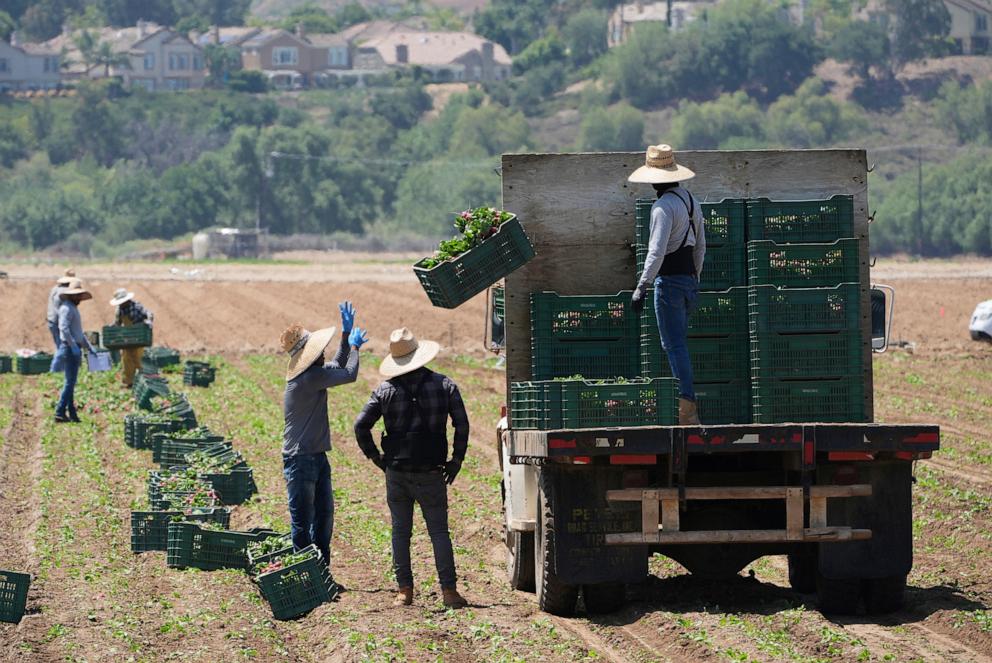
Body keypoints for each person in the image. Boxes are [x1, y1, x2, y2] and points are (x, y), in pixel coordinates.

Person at [353, 328, 470, 610]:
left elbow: (360, 426)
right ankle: (449, 591)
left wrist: (377, 458)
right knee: (439, 533)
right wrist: (456, 461)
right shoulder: (445, 385)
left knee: (400, 532)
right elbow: (462, 425)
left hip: (397, 471)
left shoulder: (384, 390)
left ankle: (404, 590)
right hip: (432, 471)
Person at [280, 302, 368, 590]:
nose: (323, 353)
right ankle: (307, 581)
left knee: (324, 517)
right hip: (300, 459)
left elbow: (338, 365)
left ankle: (321, 575)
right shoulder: (309, 378)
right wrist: (355, 347)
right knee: (304, 523)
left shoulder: (312, 374)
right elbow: (348, 372)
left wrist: (345, 336)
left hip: (315, 457)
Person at [628, 144, 706, 425]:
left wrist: (642, 286)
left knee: (674, 345)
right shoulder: (690, 201)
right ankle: (684, 404)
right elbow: (701, 246)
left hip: (670, 282)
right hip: (688, 281)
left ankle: (686, 408)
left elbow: (656, 251)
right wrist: (694, 277)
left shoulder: (662, 207)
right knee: (679, 343)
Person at [54, 278, 97, 423]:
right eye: (78, 295)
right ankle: (60, 410)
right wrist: (72, 345)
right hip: (68, 348)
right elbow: (63, 329)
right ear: (72, 295)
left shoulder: (73, 308)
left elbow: (78, 332)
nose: (80, 298)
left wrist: (88, 347)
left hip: (74, 347)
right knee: (69, 382)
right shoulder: (66, 308)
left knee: (71, 382)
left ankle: (71, 413)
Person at [109, 288, 152, 388]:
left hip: (138, 337)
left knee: (138, 359)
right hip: (127, 337)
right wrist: (113, 327)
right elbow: (118, 323)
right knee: (126, 359)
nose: (122, 304)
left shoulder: (136, 306)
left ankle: (143, 383)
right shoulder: (119, 309)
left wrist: (148, 322)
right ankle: (129, 382)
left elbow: (149, 314)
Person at [46, 269, 75, 351]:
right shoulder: (65, 292)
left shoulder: (55, 288)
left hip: (52, 320)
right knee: (63, 347)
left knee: (60, 345)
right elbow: (64, 311)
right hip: (57, 321)